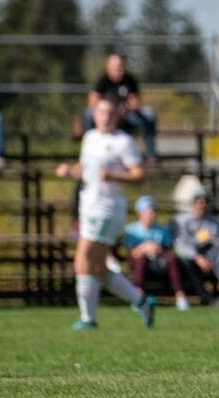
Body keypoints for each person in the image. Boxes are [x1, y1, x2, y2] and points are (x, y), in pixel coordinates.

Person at [54, 96, 156, 330]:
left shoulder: (123, 142)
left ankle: (88, 319)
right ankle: (141, 301)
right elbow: (85, 168)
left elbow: (139, 175)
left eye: (110, 112)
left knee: (83, 259)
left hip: (107, 207)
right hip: (88, 204)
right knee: (98, 269)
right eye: (101, 112)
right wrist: (70, 171)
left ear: (116, 115)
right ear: (95, 114)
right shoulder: (89, 138)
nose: (105, 116)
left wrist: (113, 176)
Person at [173, 188, 219, 306]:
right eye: (200, 202)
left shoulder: (213, 221)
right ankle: (206, 298)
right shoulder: (182, 221)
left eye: (206, 202)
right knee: (186, 262)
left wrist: (212, 240)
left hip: (212, 255)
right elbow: (181, 245)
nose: (203, 205)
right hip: (191, 257)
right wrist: (197, 257)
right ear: (193, 203)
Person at [82, 53, 157, 159]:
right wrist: (105, 110)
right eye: (115, 66)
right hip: (107, 114)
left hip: (126, 114)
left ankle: (151, 155)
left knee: (149, 115)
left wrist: (129, 107)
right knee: (88, 113)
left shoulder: (130, 80)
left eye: (120, 66)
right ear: (108, 66)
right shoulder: (102, 80)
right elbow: (92, 101)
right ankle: (88, 147)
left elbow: (137, 102)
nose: (118, 69)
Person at [123, 195, 190, 311]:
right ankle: (138, 296)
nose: (152, 214)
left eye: (153, 211)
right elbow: (130, 254)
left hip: (158, 264)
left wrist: (159, 249)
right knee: (141, 259)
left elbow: (169, 250)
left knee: (172, 260)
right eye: (149, 211)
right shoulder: (131, 230)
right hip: (140, 266)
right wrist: (144, 248)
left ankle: (180, 296)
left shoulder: (162, 230)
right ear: (140, 213)